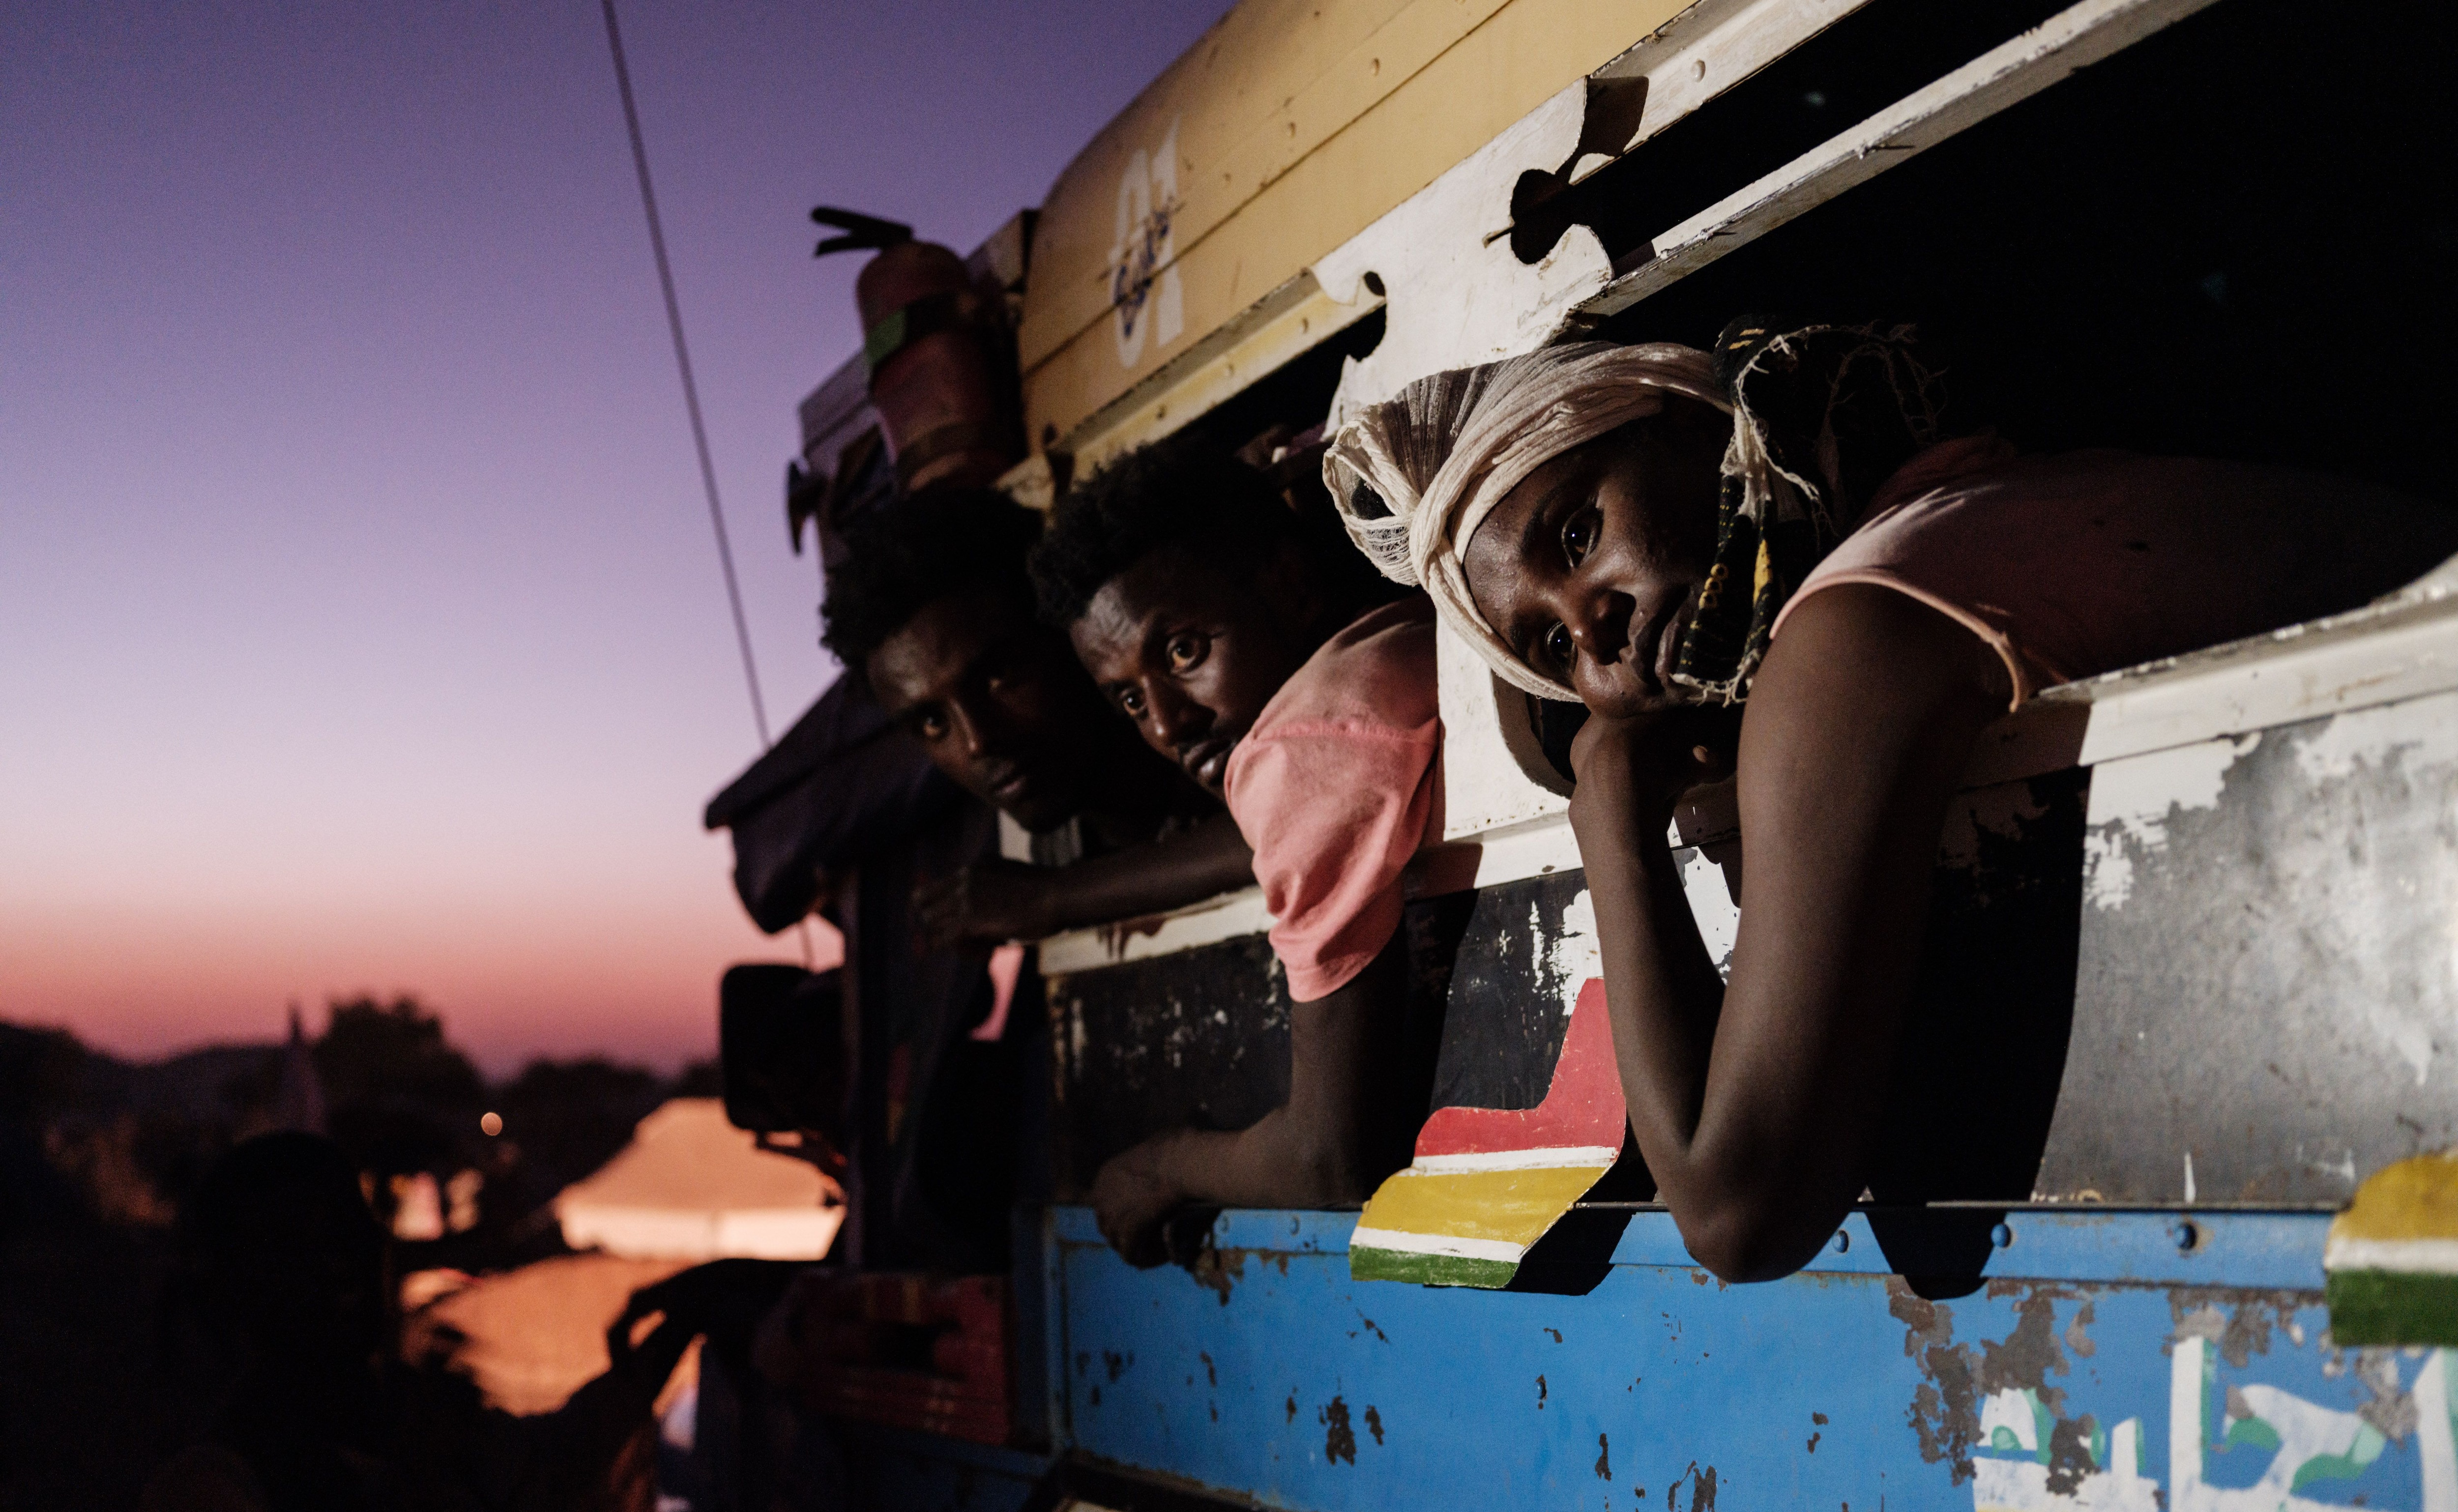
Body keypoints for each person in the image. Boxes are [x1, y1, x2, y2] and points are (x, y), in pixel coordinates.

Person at [1326, 319, 2455, 1283]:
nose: (1597, 632)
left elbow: (1734, 1213)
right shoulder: (1946, 511)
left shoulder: (1850, 633)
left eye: (1578, 535)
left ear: (1694, 428)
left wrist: (1607, 807)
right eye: (1549, 646)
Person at [1031, 439, 1436, 1265]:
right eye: (1128, 699)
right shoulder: (1388, 645)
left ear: (1287, 584)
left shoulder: (1296, 746)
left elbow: (1330, 1159)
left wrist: (1161, 1163)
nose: (1166, 725)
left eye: (1183, 650)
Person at [133, 1133, 764, 1512]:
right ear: (232, 1291)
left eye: (349, 1237)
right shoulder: (207, 1506)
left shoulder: (423, 1426)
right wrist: (410, 1504)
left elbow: (559, 1469)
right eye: (290, 1248)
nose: (338, 1268)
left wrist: (678, 1324)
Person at [821, 487, 1254, 947]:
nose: (978, 741)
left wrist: (1055, 897)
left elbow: (1289, 823)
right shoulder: (1049, 842)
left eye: (997, 676)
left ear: (1066, 632)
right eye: (932, 722)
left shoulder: (1219, 722)